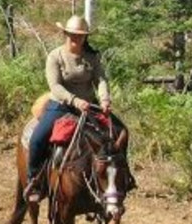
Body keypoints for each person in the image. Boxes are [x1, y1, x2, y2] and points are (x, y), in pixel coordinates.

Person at [23, 14, 121, 202]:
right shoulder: (55, 56)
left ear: (85, 37)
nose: (76, 38)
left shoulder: (92, 57)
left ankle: (120, 178)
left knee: (120, 131)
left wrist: (104, 99)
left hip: (90, 106)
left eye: (81, 35)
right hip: (61, 106)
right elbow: (55, 86)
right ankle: (33, 180)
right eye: (73, 35)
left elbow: (100, 79)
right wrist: (75, 101)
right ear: (65, 34)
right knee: (37, 138)